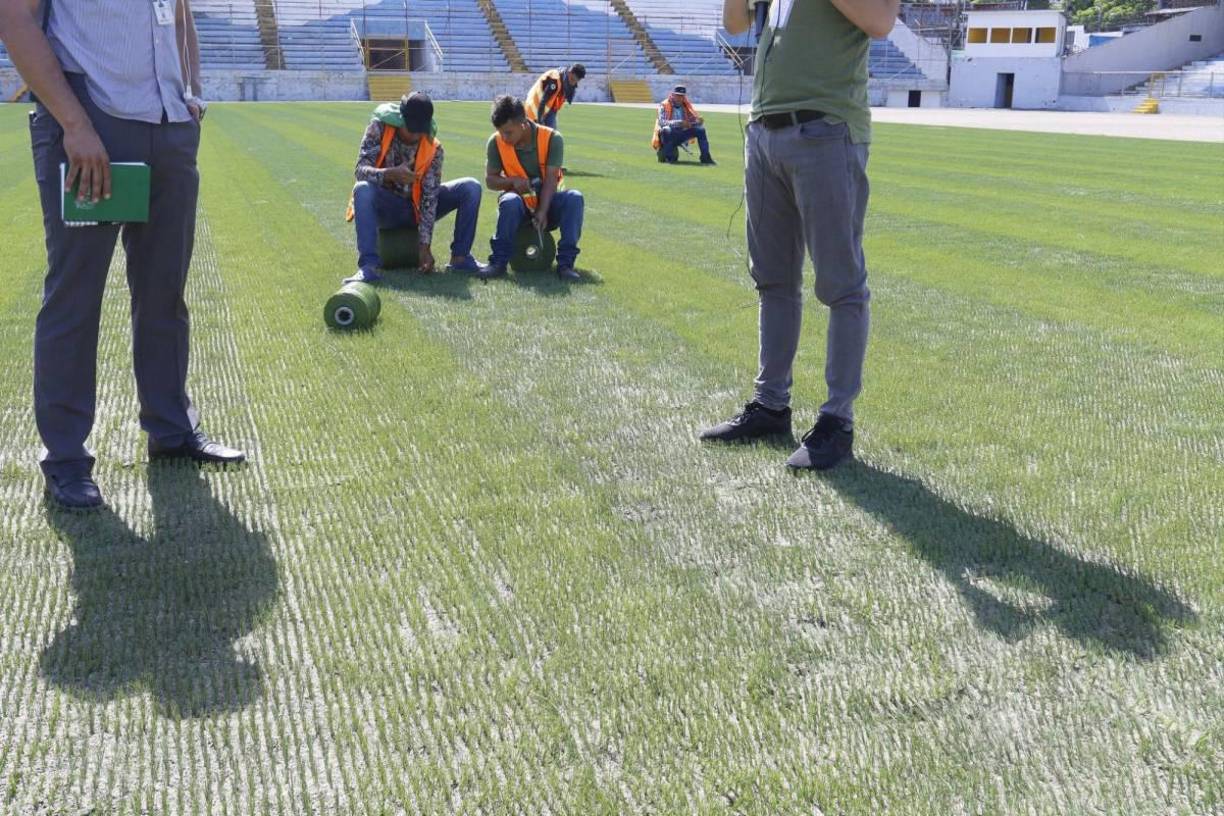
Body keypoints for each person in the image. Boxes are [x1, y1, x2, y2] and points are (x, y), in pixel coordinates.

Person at [0, 0, 246, 510]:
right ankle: (66, 456)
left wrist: (191, 97)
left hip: (169, 124)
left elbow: (180, 16)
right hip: (91, 126)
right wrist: (74, 124)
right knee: (75, 296)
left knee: (165, 293)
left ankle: (171, 428)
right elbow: (13, 16)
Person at [702, 0, 897, 470]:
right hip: (766, 131)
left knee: (841, 285)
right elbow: (734, 25)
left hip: (826, 128)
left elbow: (881, 21)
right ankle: (771, 405)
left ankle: (836, 421)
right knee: (772, 279)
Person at [345, 91, 486, 282]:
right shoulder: (378, 128)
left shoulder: (433, 147)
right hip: (387, 207)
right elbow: (360, 170)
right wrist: (389, 173)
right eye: (411, 129)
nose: (416, 136)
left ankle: (460, 258)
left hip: (417, 209)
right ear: (400, 119)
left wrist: (424, 247)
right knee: (362, 188)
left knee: (471, 187)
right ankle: (368, 267)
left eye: (421, 130)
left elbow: (430, 197)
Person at [481, 94, 584, 282]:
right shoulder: (495, 142)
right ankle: (498, 263)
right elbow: (490, 180)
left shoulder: (552, 138)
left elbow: (552, 180)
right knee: (510, 201)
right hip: (517, 209)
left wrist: (543, 211)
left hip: (549, 205)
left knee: (574, 198)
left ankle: (566, 265)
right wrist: (512, 181)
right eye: (500, 132)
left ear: (523, 123)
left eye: (508, 132)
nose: (504, 137)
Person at [652, 85, 715, 165]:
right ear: (673, 95)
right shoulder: (664, 105)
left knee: (700, 130)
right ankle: (669, 158)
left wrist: (698, 121)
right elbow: (662, 122)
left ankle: (705, 158)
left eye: (682, 96)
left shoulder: (686, 105)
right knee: (667, 130)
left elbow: (692, 120)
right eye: (678, 95)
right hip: (668, 134)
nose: (680, 98)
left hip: (682, 133)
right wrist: (679, 122)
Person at [525, 63, 585, 129]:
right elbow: (543, 101)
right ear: (569, 72)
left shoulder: (567, 79)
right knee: (537, 135)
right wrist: (540, 121)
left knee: (552, 136)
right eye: (572, 79)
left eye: (576, 81)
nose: (573, 83)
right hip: (535, 107)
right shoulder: (555, 80)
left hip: (550, 109)